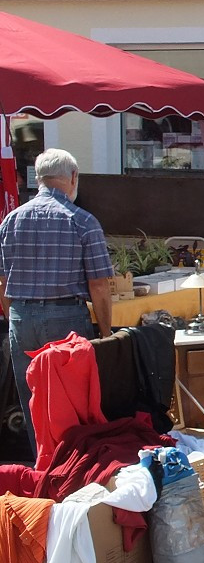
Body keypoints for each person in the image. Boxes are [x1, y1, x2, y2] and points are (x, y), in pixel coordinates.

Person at [0, 148, 113, 459]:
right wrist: (106, 334)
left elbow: (3, 284)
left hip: (21, 317)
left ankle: (42, 470)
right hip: (65, 318)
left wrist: (16, 317)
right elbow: (100, 285)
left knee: (33, 402)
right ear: (73, 178)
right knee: (72, 405)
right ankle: (71, 474)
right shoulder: (82, 221)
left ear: (38, 179)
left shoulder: (10, 220)